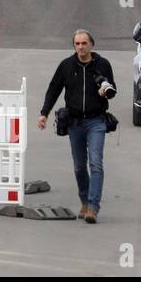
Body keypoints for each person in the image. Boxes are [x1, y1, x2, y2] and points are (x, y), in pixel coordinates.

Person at [37, 30, 116, 224]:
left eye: (84, 43)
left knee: (96, 163)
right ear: (74, 46)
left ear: (92, 45)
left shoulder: (102, 64)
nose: (81, 47)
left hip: (96, 121)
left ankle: (93, 207)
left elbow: (113, 90)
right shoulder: (66, 65)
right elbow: (54, 89)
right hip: (74, 123)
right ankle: (84, 200)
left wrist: (104, 92)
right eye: (77, 44)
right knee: (79, 166)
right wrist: (44, 113)